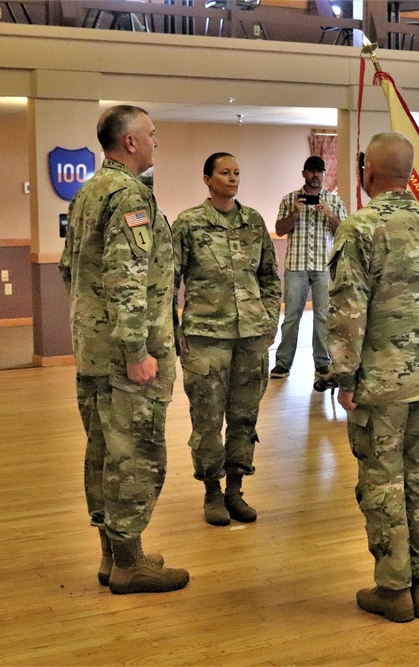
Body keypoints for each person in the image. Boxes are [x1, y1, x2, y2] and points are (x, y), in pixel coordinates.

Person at [327, 132, 419, 623]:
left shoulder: (360, 227)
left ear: (368, 170)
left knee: (383, 481)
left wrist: (343, 377)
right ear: (409, 174)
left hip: (382, 382)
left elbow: (348, 309)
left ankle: (393, 589)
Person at [58, 105, 189, 594]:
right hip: (127, 355)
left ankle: (112, 556)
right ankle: (130, 563)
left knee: (104, 452)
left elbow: (69, 271)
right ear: (130, 143)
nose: (157, 141)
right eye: (151, 135)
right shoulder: (131, 195)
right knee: (136, 453)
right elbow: (127, 278)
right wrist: (136, 349)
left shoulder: (89, 192)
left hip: (94, 349)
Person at [173, 152, 281, 527]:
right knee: (206, 418)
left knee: (244, 416)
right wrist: (175, 330)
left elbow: (269, 276)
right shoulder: (188, 224)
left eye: (237, 172)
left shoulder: (253, 221)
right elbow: (170, 280)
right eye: (224, 172)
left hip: (250, 335)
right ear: (207, 178)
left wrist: (269, 321)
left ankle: (235, 489)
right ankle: (212, 492)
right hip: (205, 336)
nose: (232, 179)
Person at [271, 156, 348, 382]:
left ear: (324, 174)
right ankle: (282, 364)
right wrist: (295, 212)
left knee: (323, 317)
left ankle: (322, 364)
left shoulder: (335, 202)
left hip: (324, 266)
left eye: (319, 171)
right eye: (311, 171)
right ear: (303, 173)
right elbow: (280, 229)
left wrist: (329, 214)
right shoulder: (289, 199)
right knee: (291, 316)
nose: (315, 175)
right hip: (296, 266)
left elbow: (344, 232)